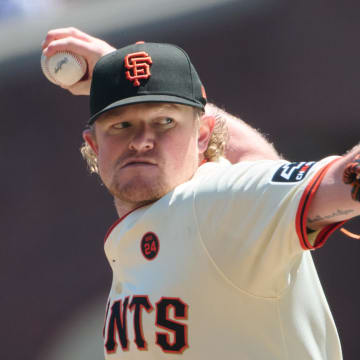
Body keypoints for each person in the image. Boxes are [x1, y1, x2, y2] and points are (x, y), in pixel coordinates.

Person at [42, 28, 360, 359]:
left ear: (203, 135)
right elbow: (259, 161)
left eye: (164, 121)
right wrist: (121, 69)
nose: (141, 141)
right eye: (122, 126)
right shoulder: (231, 210)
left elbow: (341, 181)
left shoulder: (214, 204)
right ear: (94, 145)